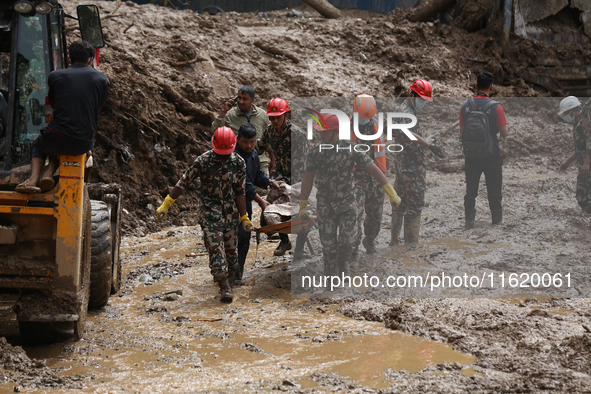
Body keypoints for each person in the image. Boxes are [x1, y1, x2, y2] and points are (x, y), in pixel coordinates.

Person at [156, 127, 253, 303]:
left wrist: (244, 217)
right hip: (210, 214)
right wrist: (167, 203)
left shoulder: (238, 162)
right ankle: (224, 286)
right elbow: (183, 182)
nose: (223, 157)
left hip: (230, 214)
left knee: (232, 252)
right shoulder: (203, 161)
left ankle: (232, 278)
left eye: (226, 154)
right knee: (216, 250)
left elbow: (240, 191)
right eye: (220, 153)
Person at [298, 113, 401, 275]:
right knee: (328, 248)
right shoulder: (316, 152)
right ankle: (331, 286)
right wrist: (302, 204)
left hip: (347, 204)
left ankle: (343, 262)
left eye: (324, 131)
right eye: (320, 130)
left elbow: (373, 168)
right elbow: (307, 179)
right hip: (325, 206)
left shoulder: (352, 148)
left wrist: (391, 192)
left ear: (336, 131)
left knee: (348, 243)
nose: (320, 134)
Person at [16, 40, 108, 193]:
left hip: (57, 137)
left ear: (69, 58)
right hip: (83, 142)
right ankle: (48, 174)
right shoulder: (101, 79)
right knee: (58, 141)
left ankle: (32, 180)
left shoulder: (55, 76)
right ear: (91, 59)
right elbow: (97, 107)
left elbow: (53, 104)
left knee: (41, 144)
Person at [390, 80, 445, 245]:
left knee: (399, 203)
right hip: (412, 169)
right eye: (421, 98)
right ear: (411, 94)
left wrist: (425, 140)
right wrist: (429, 145)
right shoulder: (407, 114)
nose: (423, 102)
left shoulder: (402, 110)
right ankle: (411, 247)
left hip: (401, 166)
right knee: (414, 207)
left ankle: (394, 242)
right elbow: (409, 135)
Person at [258, 97, 308, 256]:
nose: (274, 120)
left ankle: (300, 247)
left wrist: (294, 187)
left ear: (286, 115)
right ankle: (284, 240)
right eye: (271, 117)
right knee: (273, 205)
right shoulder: (269, 131)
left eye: (278, 117)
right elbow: (259, 147)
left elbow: (301, 162)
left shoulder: (297, 134)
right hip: (280, 173)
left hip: (298, 174)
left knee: (302, 209)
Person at [460, 71, 509, 228]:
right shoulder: (497, 108)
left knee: (471, 191)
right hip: (492, 155)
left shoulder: (465, 106)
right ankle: (496, 222)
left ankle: (469, 222)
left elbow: (462, 133)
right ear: (491, 88)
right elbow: (504, 134)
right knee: (494, 191)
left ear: (475, 87)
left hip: (471, 155)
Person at [234, 123, 278, 283]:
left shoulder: (253, 154)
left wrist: (270, 182)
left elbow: (257, 174)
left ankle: (237, 273)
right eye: (245, 141)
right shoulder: (234, 157)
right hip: (231, 203)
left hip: (245, 203)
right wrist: (260, 201)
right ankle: (227, 272)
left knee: (244, 237)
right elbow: (245, 182)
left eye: (252, 142)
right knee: (232, 237)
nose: (249, 145)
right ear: (238, 139)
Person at [349, 94, 387, 255]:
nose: (367, 120)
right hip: (356, 176)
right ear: (355, 111)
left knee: (376, 214)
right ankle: (354, 247)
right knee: (355, 213)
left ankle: (370, 240)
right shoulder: (346, 128)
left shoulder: (377, 122)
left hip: (376, 174)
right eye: (363, 117)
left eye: (369, 117)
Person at [212, 85, 271, 174]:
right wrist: (224, 111)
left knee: (263, 185)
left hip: (260, 161)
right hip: (236, 162)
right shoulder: (230, 115)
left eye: (244, 99)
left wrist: (273, 162)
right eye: (239, 98)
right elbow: (216, 131)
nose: (240, 101)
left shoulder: (262, 115)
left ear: (252, 100)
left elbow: (269, 138)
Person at [558, 96, 591, 213]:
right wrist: (568, 162)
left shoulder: (585, 122)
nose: (565, 116)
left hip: (588, 164)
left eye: (566, 113)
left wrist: (586, 163)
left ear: (573, 110)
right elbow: (581, 149)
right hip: (584, 165)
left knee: (586, 197)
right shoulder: (578, 123)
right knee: (582, 197)